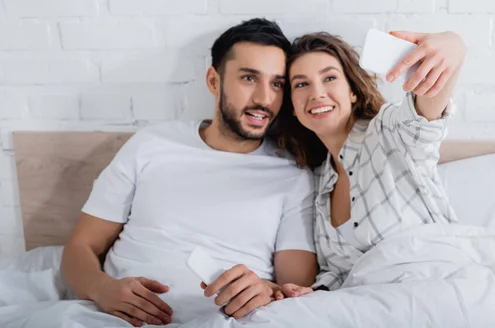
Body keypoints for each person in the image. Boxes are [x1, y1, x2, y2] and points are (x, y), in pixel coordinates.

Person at [59, 18, 318, 326]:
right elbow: (80, 247)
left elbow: (295, 290)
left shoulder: (293, 175)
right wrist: (102, 288)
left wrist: (264, 288)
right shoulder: (151, 144)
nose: (264, 98)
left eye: (277, 84)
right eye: (249, 78)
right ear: (213, 81)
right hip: (118, 318)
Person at [276, 30, 467, 297]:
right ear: (293, 106)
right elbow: (344, 274)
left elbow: (425, 113)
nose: (317, 93)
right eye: (301, 84)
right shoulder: (319, 181)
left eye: (329, 78)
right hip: (370, 309)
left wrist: (452, 47)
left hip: (436, 290)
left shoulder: (389, 131)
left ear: (352, 91)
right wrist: (313, 291)